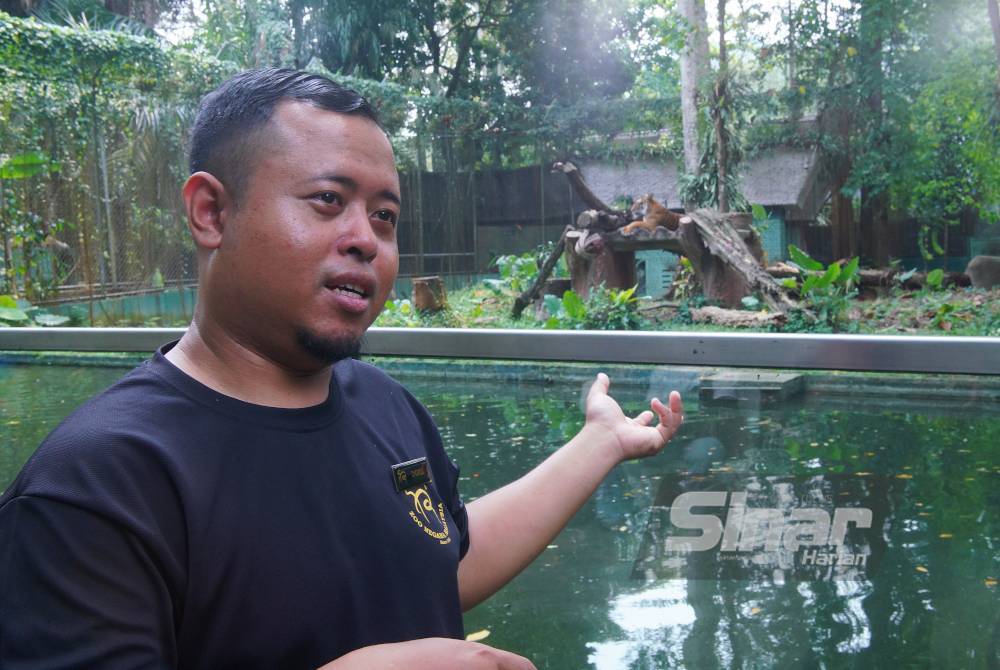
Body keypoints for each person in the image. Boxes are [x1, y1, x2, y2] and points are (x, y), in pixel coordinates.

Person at [0, 68, 683, 670]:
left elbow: (440, 566)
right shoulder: (96, 488)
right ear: (211, 212)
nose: (365, 240)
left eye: (384, 215)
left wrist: (600, 443)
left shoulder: (383, 404)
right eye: (328, 200)